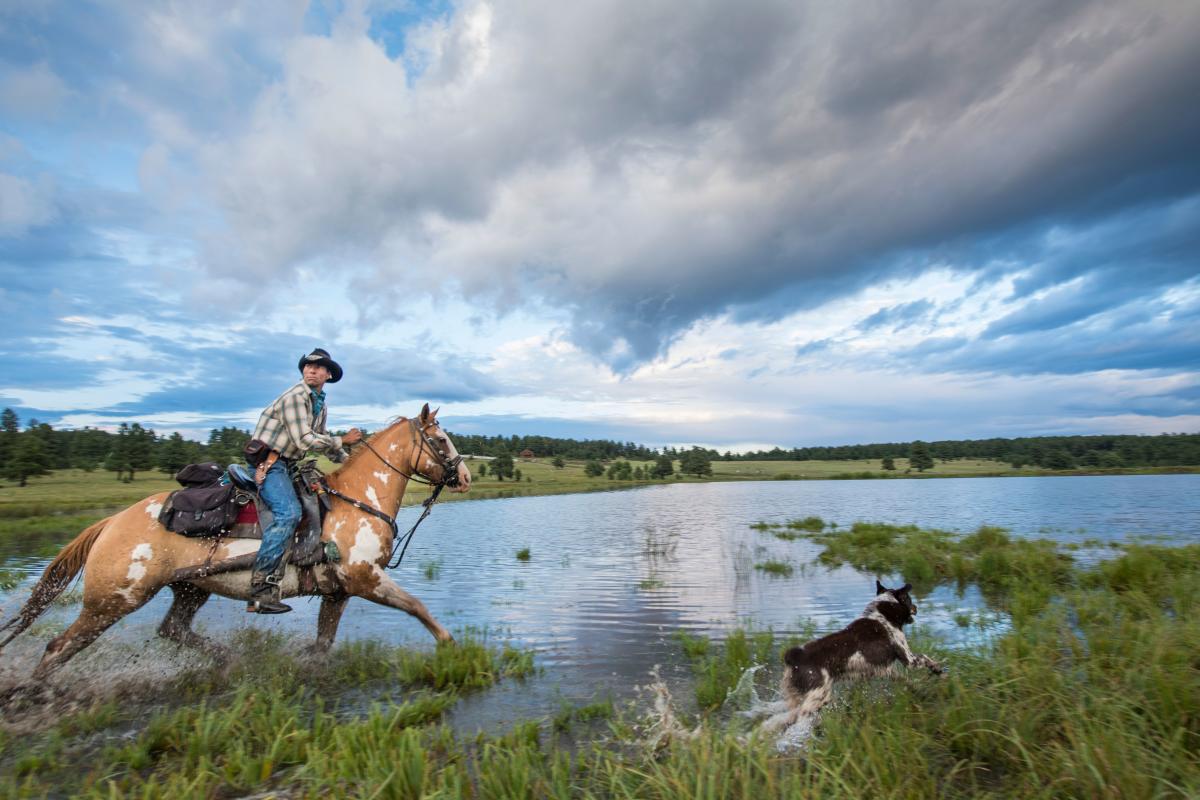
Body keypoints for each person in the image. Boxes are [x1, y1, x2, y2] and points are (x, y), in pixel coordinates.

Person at [247, 348, 363, 613]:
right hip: (271, 465)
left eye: (319, 367)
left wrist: (350, 463)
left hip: (288, 465)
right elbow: (305, 440)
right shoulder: (296, 397)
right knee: (288, 514)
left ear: (328, 374)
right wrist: (342, 440)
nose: (312, 370)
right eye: (308, 366)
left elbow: (322, 440)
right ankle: (261, 589)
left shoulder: (319, 402)